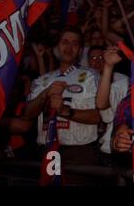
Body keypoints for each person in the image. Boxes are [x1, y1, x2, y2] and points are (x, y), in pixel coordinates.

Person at [23, 26, 102, 185]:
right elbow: (27, 114)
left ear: (80, 50)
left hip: (79, 154)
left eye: (74, 43)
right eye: (65, 42)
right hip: (45, 151)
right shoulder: (42, 81)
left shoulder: (91, 76)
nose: (69, 47)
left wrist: (65, 111)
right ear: (57, 46)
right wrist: (44, 95)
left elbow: (98, 116)